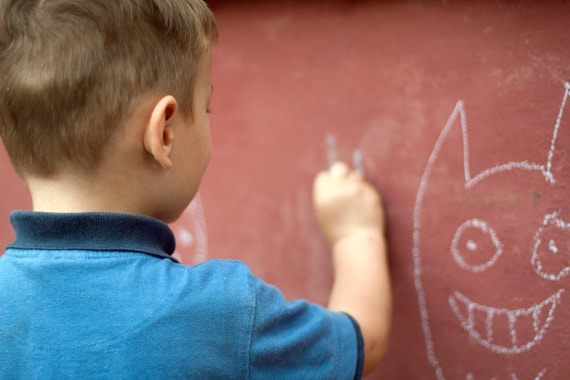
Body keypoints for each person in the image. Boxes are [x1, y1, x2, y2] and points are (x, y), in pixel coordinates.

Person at [0, 0, 391, 378]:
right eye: (207, 108)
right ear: (164, 132)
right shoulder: (224, 312)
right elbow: (362, 343)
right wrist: (356, 236)